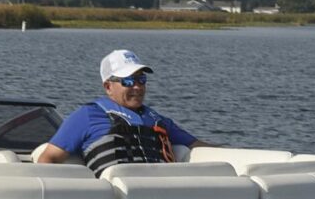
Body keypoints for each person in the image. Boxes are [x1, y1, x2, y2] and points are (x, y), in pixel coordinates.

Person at [35, 49, 212, 174]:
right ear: (108, 86)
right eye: (128, 81)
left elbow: (196, 145)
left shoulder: (158, 120)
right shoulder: (87, 116)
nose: (137, 87)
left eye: (141, 80)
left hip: (162, 195)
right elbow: (47, 158)